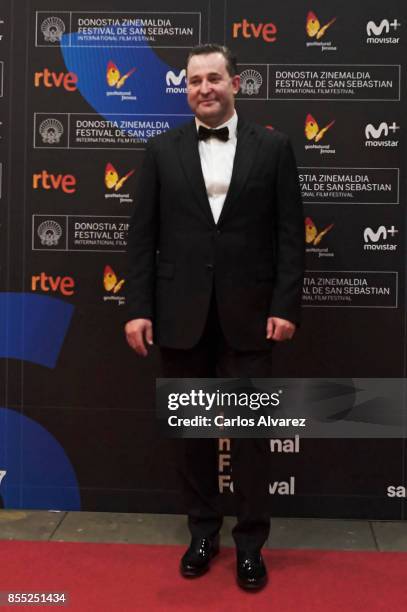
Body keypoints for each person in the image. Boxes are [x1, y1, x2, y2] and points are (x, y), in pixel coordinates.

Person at [125, 43, 304, 591]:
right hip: (181, 317)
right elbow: (143, 238)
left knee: (250, 438)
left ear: (236, 84)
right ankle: (203, 533)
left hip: (250, 317)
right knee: (190, 434)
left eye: (214, 79)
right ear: (186, 90)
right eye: (194, 81)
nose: (204, 88)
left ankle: (251, 544)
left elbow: (290, 236)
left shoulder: (273, 148)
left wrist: (283, 305)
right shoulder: (160, 150)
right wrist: (137, 309)